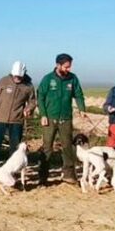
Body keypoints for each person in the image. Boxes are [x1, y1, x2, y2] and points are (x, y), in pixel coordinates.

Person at [36, 53, 87, 185]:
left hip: (66, 118)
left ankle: (68, 174)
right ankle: (43, 176)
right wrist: (43, 114)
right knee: (47, 148)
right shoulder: (48, 79)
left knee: (67, 147)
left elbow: (79, 94)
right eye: (66, 67)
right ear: (58, 65)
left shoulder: (72, 78)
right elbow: (40, 96)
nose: (68, 69)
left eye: (69, 67)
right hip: (49, 118)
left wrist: (82, 109)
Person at [0, 61, 36, 169]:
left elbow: (32, 102)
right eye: (15, 76)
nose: (17, 78)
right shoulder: (3, 81)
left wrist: (28, 109)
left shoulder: (28, 86)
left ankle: (11, 170)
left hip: (16, 121)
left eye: (19, 76)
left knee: (14, 148)